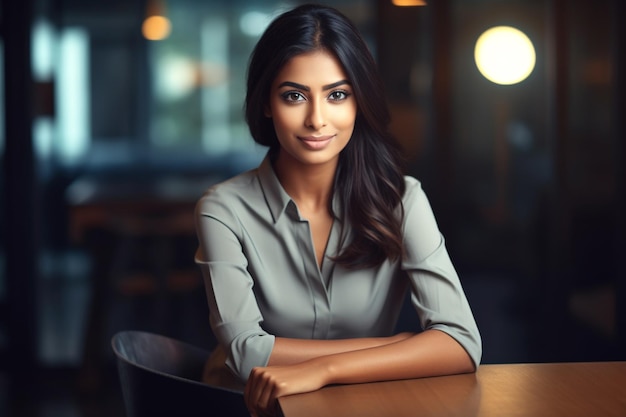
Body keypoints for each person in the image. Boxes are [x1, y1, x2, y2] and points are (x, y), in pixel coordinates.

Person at [194, 4, 481, 416]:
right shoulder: (223, 209)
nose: (316, 119)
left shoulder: (402, 200)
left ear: (358, 102)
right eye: (294, 95)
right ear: (266, 103)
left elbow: (461, 344)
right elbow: (245, 354)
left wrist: (325, 370)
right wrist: (402, 347)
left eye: (337, 95)